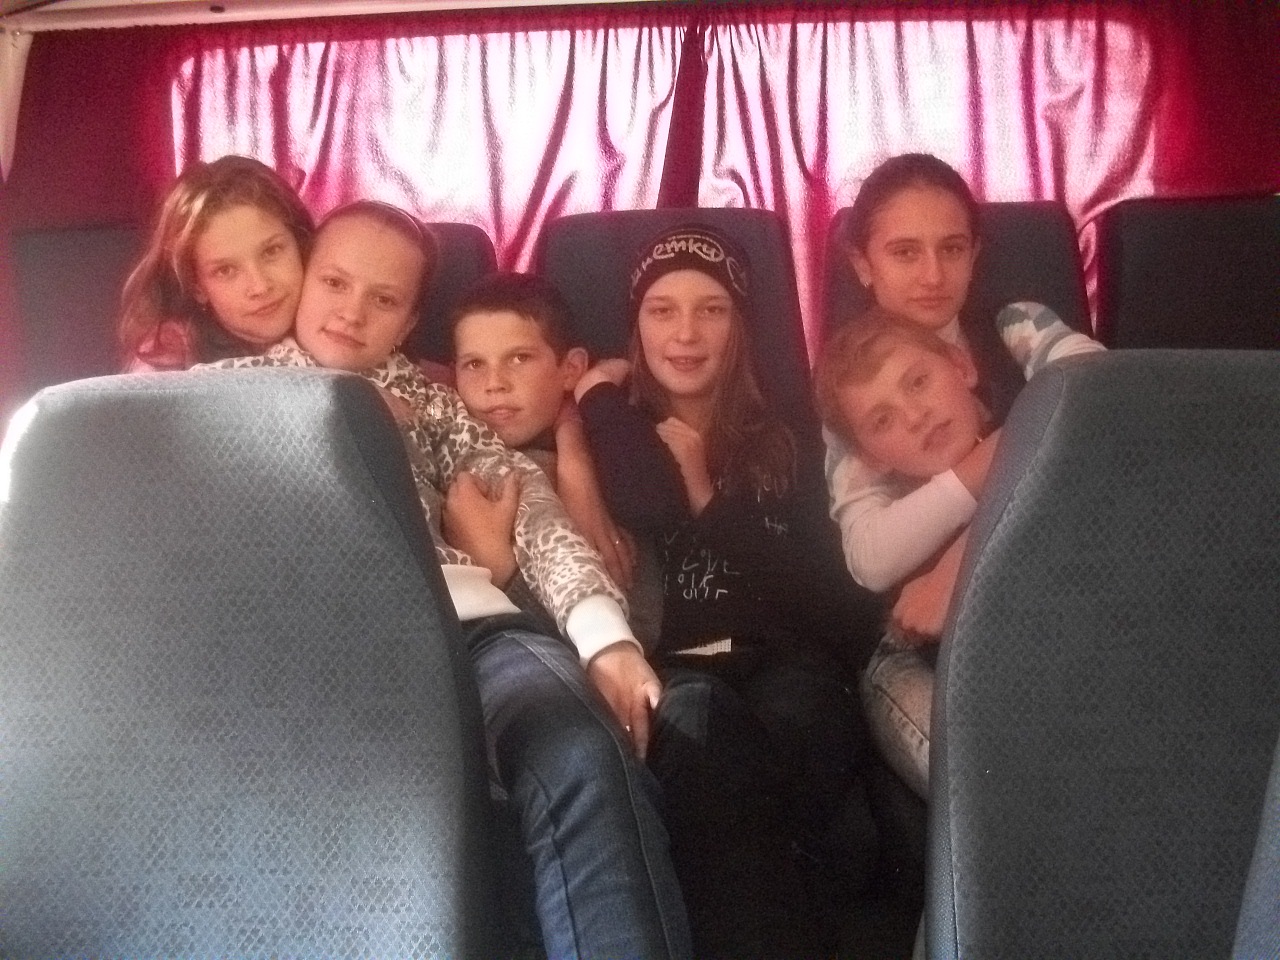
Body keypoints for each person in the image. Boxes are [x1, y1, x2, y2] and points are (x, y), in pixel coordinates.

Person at [202, 201, 692, 960]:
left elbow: (530, 509)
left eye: (384, 300)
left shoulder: (435, 404)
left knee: (580, 746)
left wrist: (606, 639)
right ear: (303, 279)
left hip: (472, 626)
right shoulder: (219, 392)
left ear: (408, 324)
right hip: (317, 643)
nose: (352, 312)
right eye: (335, 283)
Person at [573, 224, 881, 959]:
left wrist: (708, 495)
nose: (686, 333)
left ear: (739, 326)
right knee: (695, 722)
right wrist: (599, 397)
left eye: (711, 309)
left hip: (786, 664)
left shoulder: (788, 439)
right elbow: (646, 500)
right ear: (636, 327)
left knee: (793, 719)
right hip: (680, 668)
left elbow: (834, 606)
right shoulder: (617, 431)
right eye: (662, 310)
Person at [825, 152, 1104, 796]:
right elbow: (871, 556)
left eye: (951, 249)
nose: (932, 276)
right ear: (863, 264)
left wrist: (959, 560)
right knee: (1000, 788)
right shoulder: (847, 386)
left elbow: (1105, 407)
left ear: (975, 255)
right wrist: (1019, 444)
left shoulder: (1016, 327)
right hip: (922, 652)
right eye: (905, 253)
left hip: (1048, 612)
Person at [118, 155, 314, 372]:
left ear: (300, 243)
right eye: (225, 270)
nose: (260, 286)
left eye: (271, 251)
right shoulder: (168, 363)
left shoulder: (333, 328)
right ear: (197, 287)